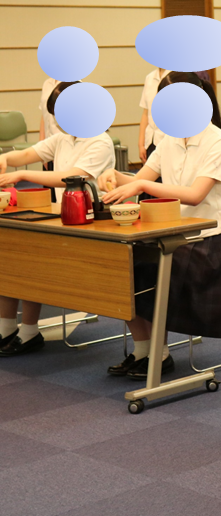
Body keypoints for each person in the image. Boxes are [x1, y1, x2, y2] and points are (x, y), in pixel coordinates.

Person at [99, 72, 221, 380]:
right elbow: (139, 179)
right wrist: (115, 176)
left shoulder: (217, 140)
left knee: (152, 271)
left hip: (207, 238)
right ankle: (143, 350)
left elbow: (195, 195)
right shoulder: (169, 138)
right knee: (123, 266)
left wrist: (141, 185)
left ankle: (159, 355)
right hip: (169, 232)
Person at [0, 81, 116, 356]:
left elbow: (70, 178)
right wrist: (5, 159)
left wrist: (22, 174)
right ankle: (6, 329)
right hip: (62, 217)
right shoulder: (64, 137)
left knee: (34, 264)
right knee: (13, 256)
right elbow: (28, 153)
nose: (57, 122)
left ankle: (29, 331)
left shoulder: (100, 140)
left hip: (93, 223)